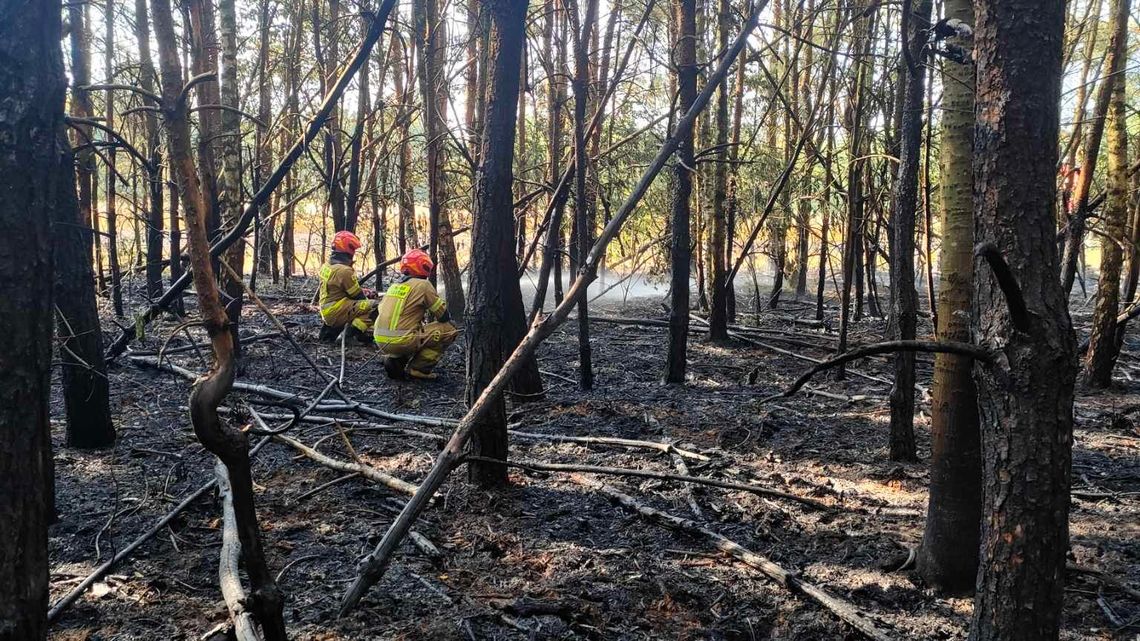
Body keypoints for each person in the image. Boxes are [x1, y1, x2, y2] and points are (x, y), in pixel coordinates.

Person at [373, 249, 458, 380]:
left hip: (380, 340)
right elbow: (443, 316)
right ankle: (419, 368)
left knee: (411, 330)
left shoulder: (394, 286)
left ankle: (396, 359)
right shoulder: (423, 285)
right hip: (402, 341)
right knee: (449, 330)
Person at [318, 231, 378, 344]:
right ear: (348, 248)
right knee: (375, 306)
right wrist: (367, 297)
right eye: (353, 249)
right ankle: (350, 335)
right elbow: (358, 297)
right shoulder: (345, 271)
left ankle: (329, 333)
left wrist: (364, 291)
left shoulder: (327, 266)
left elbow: (337, 289)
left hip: (327, 309)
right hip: (336, 310)